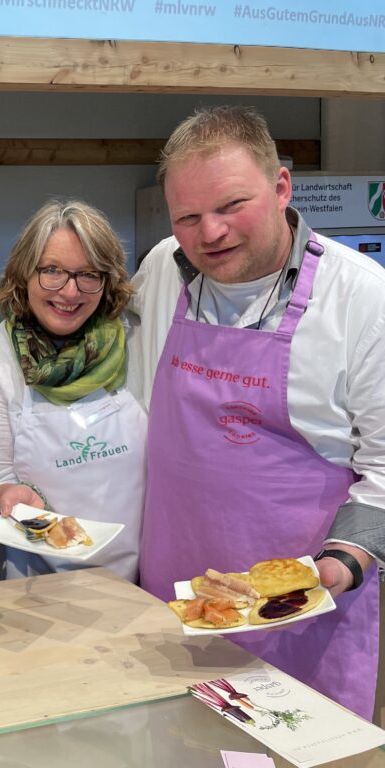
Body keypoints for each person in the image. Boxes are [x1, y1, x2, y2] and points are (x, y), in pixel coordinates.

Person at [128, 105, 385, 718]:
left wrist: (340, 565)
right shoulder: (165, 268)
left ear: (281, 187)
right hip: (175, 597)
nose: (208, 233)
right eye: (187, 216)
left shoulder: (361, 296)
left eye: (230, 206)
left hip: (298, 607)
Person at [0, 200, 145, 583]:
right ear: (24, 273)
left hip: (142, 580)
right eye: (52, 271)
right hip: (38, 586)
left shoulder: (135, 339)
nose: (69, 291)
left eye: (88, 274)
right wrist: (3, 495)